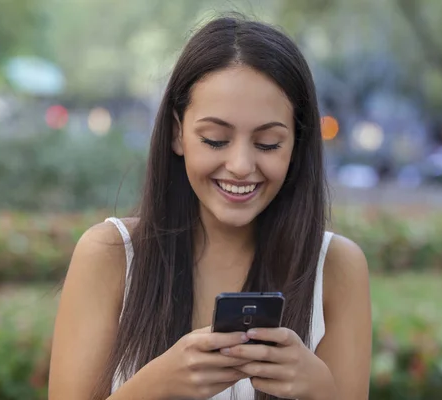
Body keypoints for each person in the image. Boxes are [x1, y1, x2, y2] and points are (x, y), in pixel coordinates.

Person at [48, 15, 372, 400]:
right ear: (176, 133)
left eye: (268, 143)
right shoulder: (110, 255)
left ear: (297, 146)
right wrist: (155, 386)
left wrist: (321, 391)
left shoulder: (336, 268)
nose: (240, 165)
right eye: (216, 139)